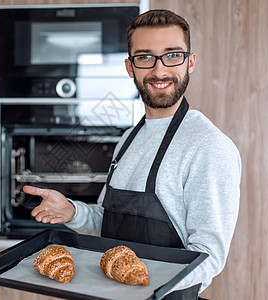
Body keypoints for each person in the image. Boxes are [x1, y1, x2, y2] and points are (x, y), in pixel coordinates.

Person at [23, 9, 241, 299]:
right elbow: (112, 223)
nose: (159, 70)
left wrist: (142, 289)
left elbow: (208, 257)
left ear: (190, 62)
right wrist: (72, 212)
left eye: (172, 55)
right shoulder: (128, 138)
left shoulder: (209, 146)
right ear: (130, 67)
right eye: (145, 57)